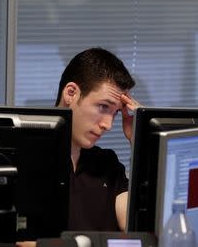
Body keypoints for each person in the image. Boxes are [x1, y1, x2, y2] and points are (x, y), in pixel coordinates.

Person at [17, 47, 140, 247]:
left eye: (116, 112)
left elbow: (137, 231)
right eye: (103, 107)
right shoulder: (23, 161)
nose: (108, 125)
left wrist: (138, 140)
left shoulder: (107, 163)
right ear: (71, 93)